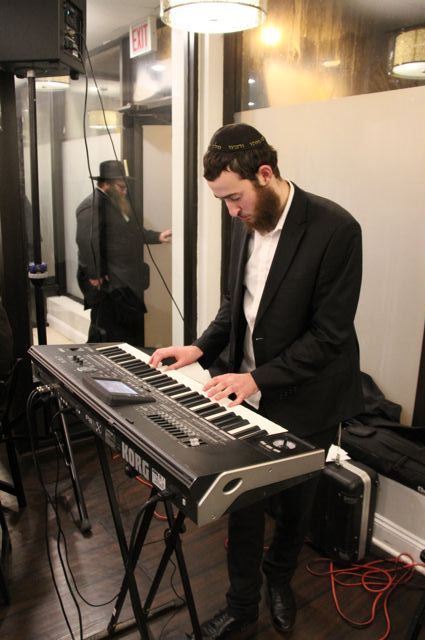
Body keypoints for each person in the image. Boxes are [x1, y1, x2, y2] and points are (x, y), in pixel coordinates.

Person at [150, 123, 364, 638]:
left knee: (296, 506)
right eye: (222, 201)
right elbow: (237, 306)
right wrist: (199, 348)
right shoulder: (243, 220)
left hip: (310, 396)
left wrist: (256, 379)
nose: (231, 211)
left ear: (264, 174)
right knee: (244, 507)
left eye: (234, 198)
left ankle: (279, 579)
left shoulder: (337, 229)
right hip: (248, 390)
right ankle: (242, 606)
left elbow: (329, 335)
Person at [76, 160, 171, 345]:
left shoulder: (114, 203)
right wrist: (95, 274)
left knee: (123, 332)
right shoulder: (92, 205)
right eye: (121, 187)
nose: (125, 191)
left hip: (122, 281)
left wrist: (158, 236)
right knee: (105, 334)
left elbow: (132, 233)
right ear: (106, 184)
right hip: (108, 284)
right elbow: (87, 241)